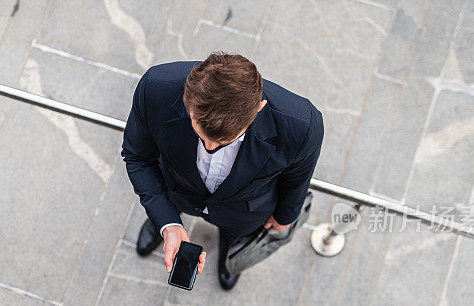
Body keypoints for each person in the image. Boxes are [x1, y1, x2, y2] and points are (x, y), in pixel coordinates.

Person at [121, 52, 324, 290]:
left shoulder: (303, 125)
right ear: (189, 99)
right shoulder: (155, 88)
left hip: (245, 211)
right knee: (164, 212)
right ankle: (162, 225)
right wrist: (167, 223)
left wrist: (285, 217)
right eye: (201, 134)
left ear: (259, 109)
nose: (209, 148)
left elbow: (297, 179)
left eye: (224, 141)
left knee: (234, 235)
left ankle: (229, 250)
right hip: (176, 187)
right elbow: (138, 156)